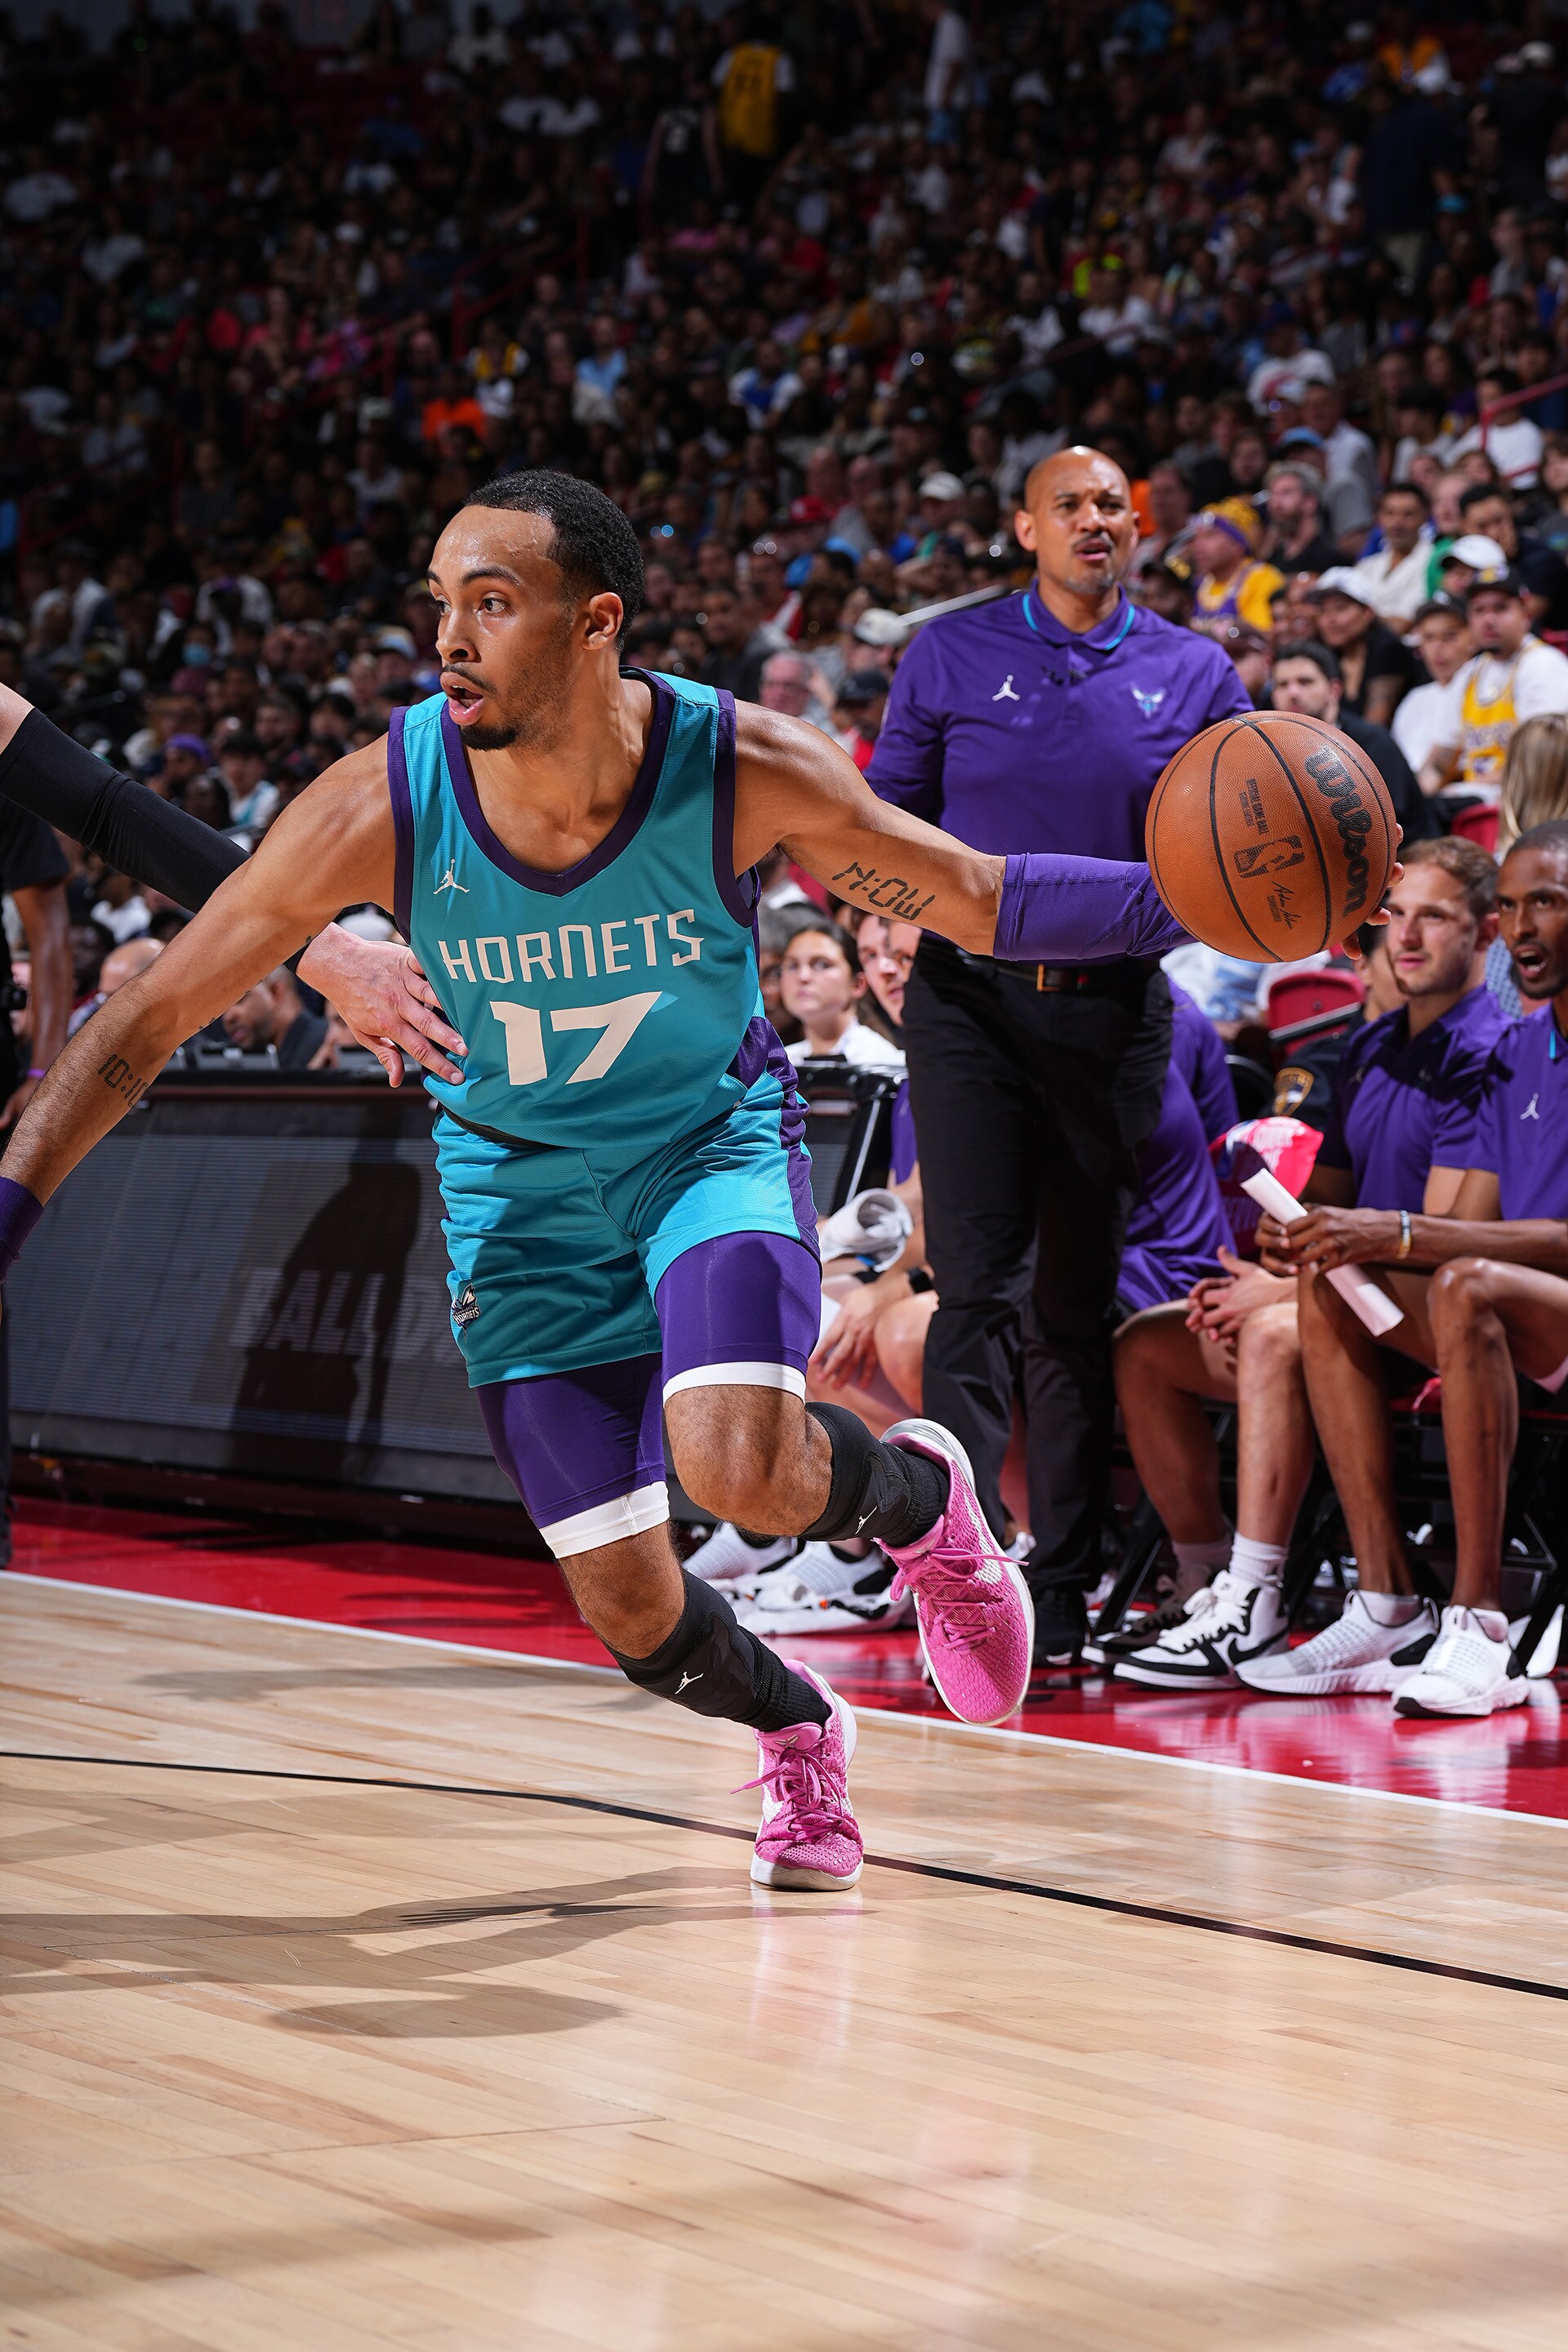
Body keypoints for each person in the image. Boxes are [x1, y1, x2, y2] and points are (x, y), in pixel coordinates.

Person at [4, 469, 1223, 1891]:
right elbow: (142, 1025)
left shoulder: (741, 763)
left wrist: (1183, 895)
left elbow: (977, 892)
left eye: (493, 603)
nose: (451, 639)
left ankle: (922, 1512)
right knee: (636, 1616)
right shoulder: (374, 804)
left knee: (738, 1467)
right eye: (442, 605)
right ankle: (802, 1730)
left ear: (597, 626)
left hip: (700, 1151)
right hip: (518, 1200)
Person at [867, 445, 1251, 1659]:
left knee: (1071, 1306)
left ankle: (1074, 1584)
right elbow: (882, 824)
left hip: (1114, 1009)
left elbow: (1252, 827)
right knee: (975, 1297)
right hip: (968, 1006)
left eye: (1113, 506)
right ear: (1024, 527)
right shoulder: (948, 654)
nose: (1097, 520)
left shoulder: (1196, 671)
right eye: (1072, 505)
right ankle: (961, 1581)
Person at [1111, 840, 1508, 1691]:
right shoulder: (1367, 1048)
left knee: (1275, 1333)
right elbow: (1308, 1211)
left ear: (1486, 934)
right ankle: (1203, 1575)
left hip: (1439, 1310)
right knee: (1147, 1345)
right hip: (1350, 1287)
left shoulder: (1488, 1049)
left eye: (1433, 917)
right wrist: (1277, 1256)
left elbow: (1440, 1237)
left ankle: (1259, 1597)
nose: (1405, 938)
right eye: (1395, 918)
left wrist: (1288, 1282)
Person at [1268, 823, 1568, 1719]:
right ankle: (1388, 1600)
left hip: (1530, 1301)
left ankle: (1480, 1623)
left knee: (1465, 1282)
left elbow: (1473, 1244)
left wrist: (1397, 1229)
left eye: (1545, 902)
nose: (1523, 928)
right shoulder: (1521, 1048)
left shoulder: (1493, 1041)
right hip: (1531, 1310)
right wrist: (1352, 1235)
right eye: (1511, 906)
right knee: (1331, 1277)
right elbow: (1471, 1229)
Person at [1417, 564, 1568, 800]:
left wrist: (1467, 787)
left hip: (1526, 799)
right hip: (1475, 801)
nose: (1488, 620)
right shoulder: (1469, 674)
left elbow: (1542, 763)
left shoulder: (1543, 665)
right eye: (1479, 610)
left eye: (1500, 608)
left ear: (1526, 613)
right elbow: (1440, 762)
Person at [1267, 639, 1434, 839]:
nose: (1293, 693)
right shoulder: (1270, 750)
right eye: (1282, 685)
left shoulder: (1370, 741)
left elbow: (1384, 823)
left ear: (1334, 690)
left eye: (1305, 682)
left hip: (1407, 853)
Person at [777, 920, 905, 1067]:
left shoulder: (882, 1061)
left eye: (822, 964)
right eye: (792, 966)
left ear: (857, 984)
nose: (803, 976)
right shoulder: (777, 1067)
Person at [1304, 568, 1419, 728]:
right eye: (1323, 611)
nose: (1330, 619)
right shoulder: (1327, 657)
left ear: (1367, 612)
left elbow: (1374, 728)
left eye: (1340, 608)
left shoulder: (1388, 650)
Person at [1392, 593, 1472, 778]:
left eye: (1449, 636)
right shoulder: (1414, 699)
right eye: (1429, 638)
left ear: (1472, 638)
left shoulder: (1480, 688)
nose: (1438, 647)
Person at [1347, 483, 1435, 631]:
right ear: (1379, 518)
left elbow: (1403, 623)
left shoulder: (1432, 562)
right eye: (1390, 513)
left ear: (1424, 517)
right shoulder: (1367, 565)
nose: (1397, 523)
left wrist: (1354, 621)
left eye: (1408, 514)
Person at [1191, 499, 1285, 633]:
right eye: (1197, 538)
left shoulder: (1261, 577)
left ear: (1238, 544)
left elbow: (1262, 636)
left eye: (1209, 536)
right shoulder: (1200, 583)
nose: (1198, 546)